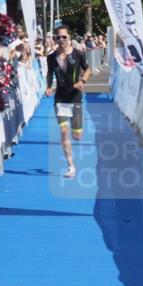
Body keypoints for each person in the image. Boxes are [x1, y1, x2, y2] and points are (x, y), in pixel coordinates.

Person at [44, 24, 91, 178]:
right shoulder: (51, 57)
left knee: (77, 135)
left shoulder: (77, 54)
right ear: (55, 39)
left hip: (75, 96)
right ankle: (71, 166)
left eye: (64, 37)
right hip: (61, 98)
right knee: (64, 132)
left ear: (69, 37)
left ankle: (77, 128)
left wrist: (82, 81)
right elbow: (49, 73)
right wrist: (49, 86)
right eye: (58, 37)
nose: (61, 39)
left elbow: (88, 69)